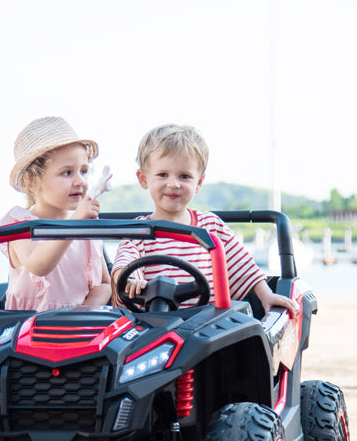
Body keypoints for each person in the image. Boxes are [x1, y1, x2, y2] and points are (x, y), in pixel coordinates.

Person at [112, 124, 297, 316]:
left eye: (184, 176)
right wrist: (131, 281)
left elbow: (244, 268)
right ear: (143, 179)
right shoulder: (139, 232)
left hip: (206, 326)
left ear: (199, 182)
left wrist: (266, 296)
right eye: (162, 175)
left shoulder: (211, 226)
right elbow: (123, 264)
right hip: (153, 326)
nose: (173, 184)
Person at [0, 116, 112, 310]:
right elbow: (38, 265)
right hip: (27, 323)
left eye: (84, 171)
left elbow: (103, 283)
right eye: (67, 173)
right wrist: (75, 223)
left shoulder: (86, 225)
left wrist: (83, 314)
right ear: (31, 180)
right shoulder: (20, 223)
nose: (80, 181)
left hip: (79, 323)